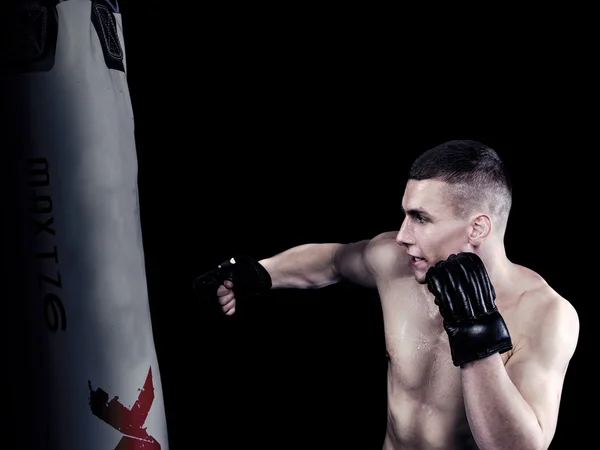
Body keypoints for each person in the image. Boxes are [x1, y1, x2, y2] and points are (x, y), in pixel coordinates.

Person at [194, 140, 579, 449]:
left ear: (478, 228)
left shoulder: (545, 314)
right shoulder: (397, 263)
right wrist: (260, 272)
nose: (402, 235)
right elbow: (333, 259)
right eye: (405, 214)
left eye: (421, 218)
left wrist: (477, 332)